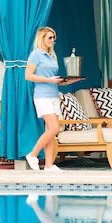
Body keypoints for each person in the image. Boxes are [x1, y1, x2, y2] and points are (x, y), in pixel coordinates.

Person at [24, 26, 82, 172]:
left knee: (51, 130)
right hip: (42, 96)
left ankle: (49, 166)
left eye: (54, 37)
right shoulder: (35, 55)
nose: (52, 40)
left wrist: (69, 80)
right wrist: (49, 80)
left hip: (54, 95)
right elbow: (28, 76)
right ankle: (32, 154)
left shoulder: (51, 55)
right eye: (49, 37)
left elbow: (54, 79)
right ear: (41, 38)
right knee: (54, 128)